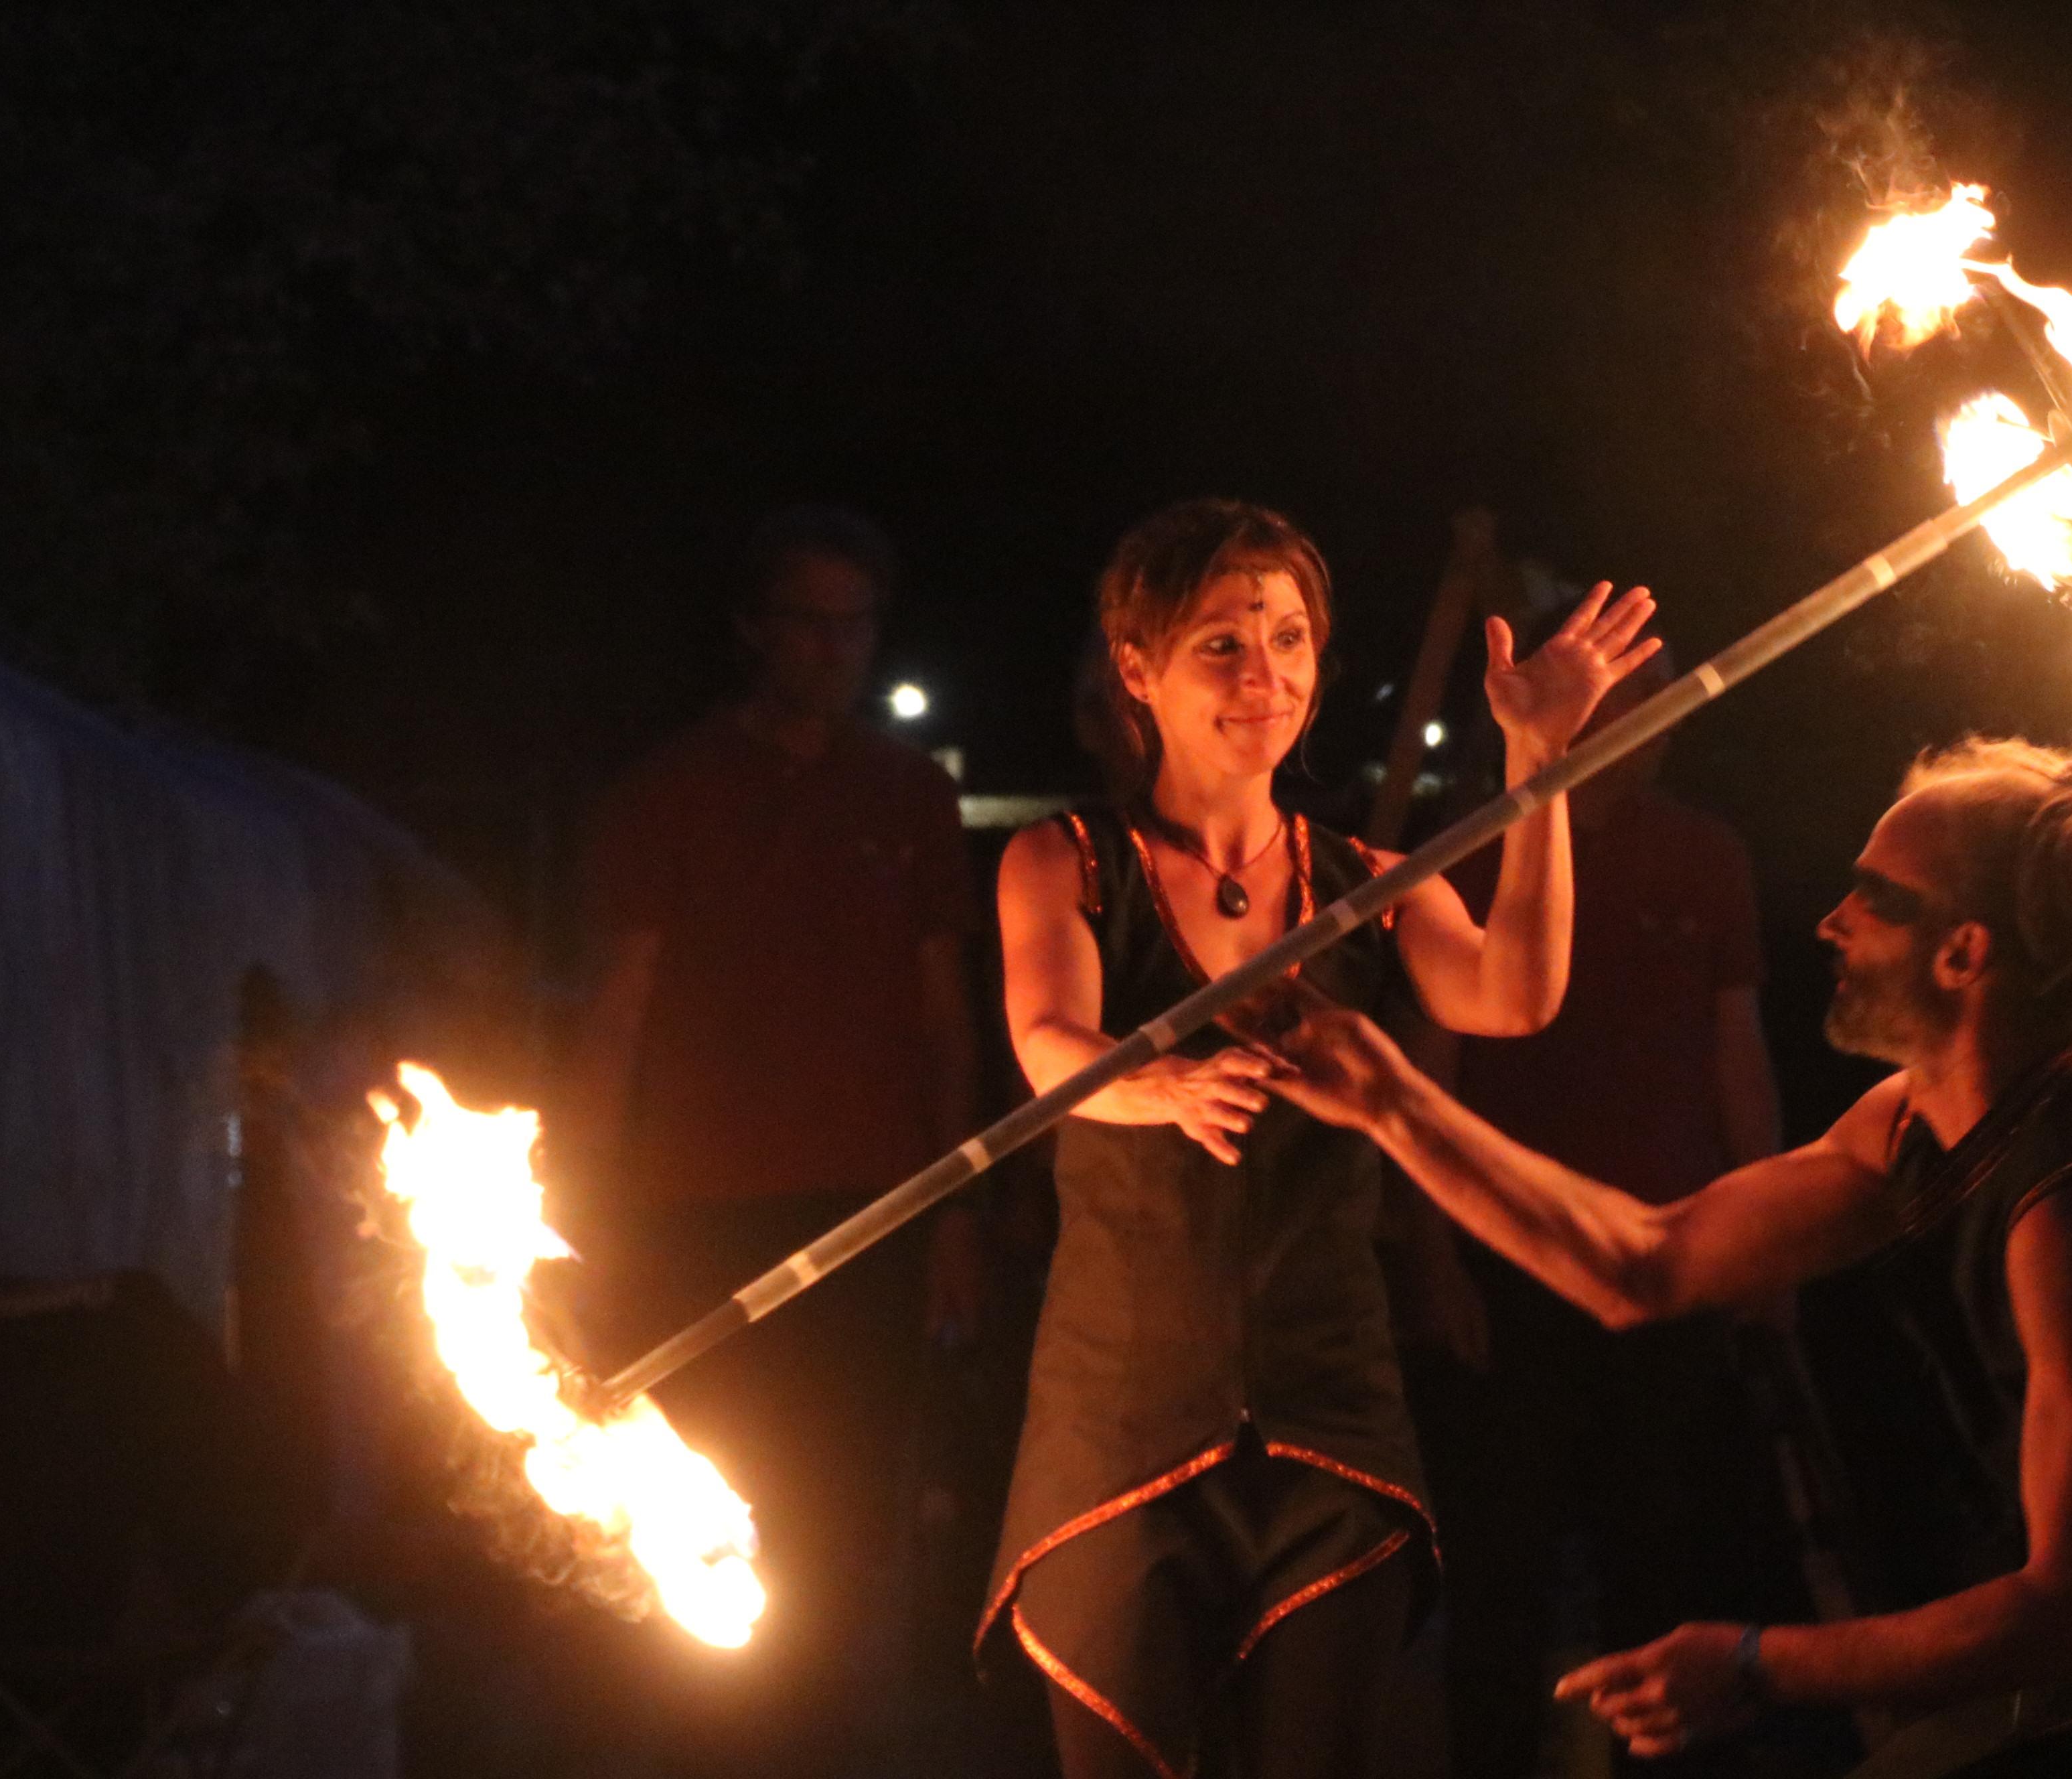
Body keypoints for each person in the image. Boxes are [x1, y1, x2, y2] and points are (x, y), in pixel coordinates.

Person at [1254, 737, 2072, 1778]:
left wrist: (1755, 1663)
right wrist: (1388, 1100)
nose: (1831, 924)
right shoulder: (1917, 1123)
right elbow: (1642, 1264)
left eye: (1875, 900)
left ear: (1964, 953)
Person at [982, 498, 1656, 1779]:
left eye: (1289, 640)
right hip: (1117, 1426)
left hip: (1330, 1423)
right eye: (1223, 645)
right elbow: (1050, 1044)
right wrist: (1164, 1088)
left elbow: (1516, 993)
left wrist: (1541, 761)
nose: (1267, 677)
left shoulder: (1373, 884)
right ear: (1137, 668)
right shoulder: (1064, 860)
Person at [557, 505, 979, 1770]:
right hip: (696, 1211)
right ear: (754, 629)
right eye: (809, 621)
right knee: (708, 1510)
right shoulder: (666, 794)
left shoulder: (910, 795)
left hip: (870, 1211)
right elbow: (616, 1012)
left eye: (857, 623)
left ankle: (818, 1750)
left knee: (846, 1526)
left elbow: (943, 1013)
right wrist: (578, 1214)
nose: (836, 647)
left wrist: (955, 1206)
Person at [1408, 644, 1814, 1776]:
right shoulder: (1475, 851)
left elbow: (1736, 1052)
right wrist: (1431, 1256)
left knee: (1660, 1552)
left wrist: (1771, 1244)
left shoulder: (1704, 855)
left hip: (1675, 1258)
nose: (1654, 722)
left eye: (1664, 702)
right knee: (1500, 1564)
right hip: (1512, 1261)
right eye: (1629, 698)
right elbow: (1429, 1073)